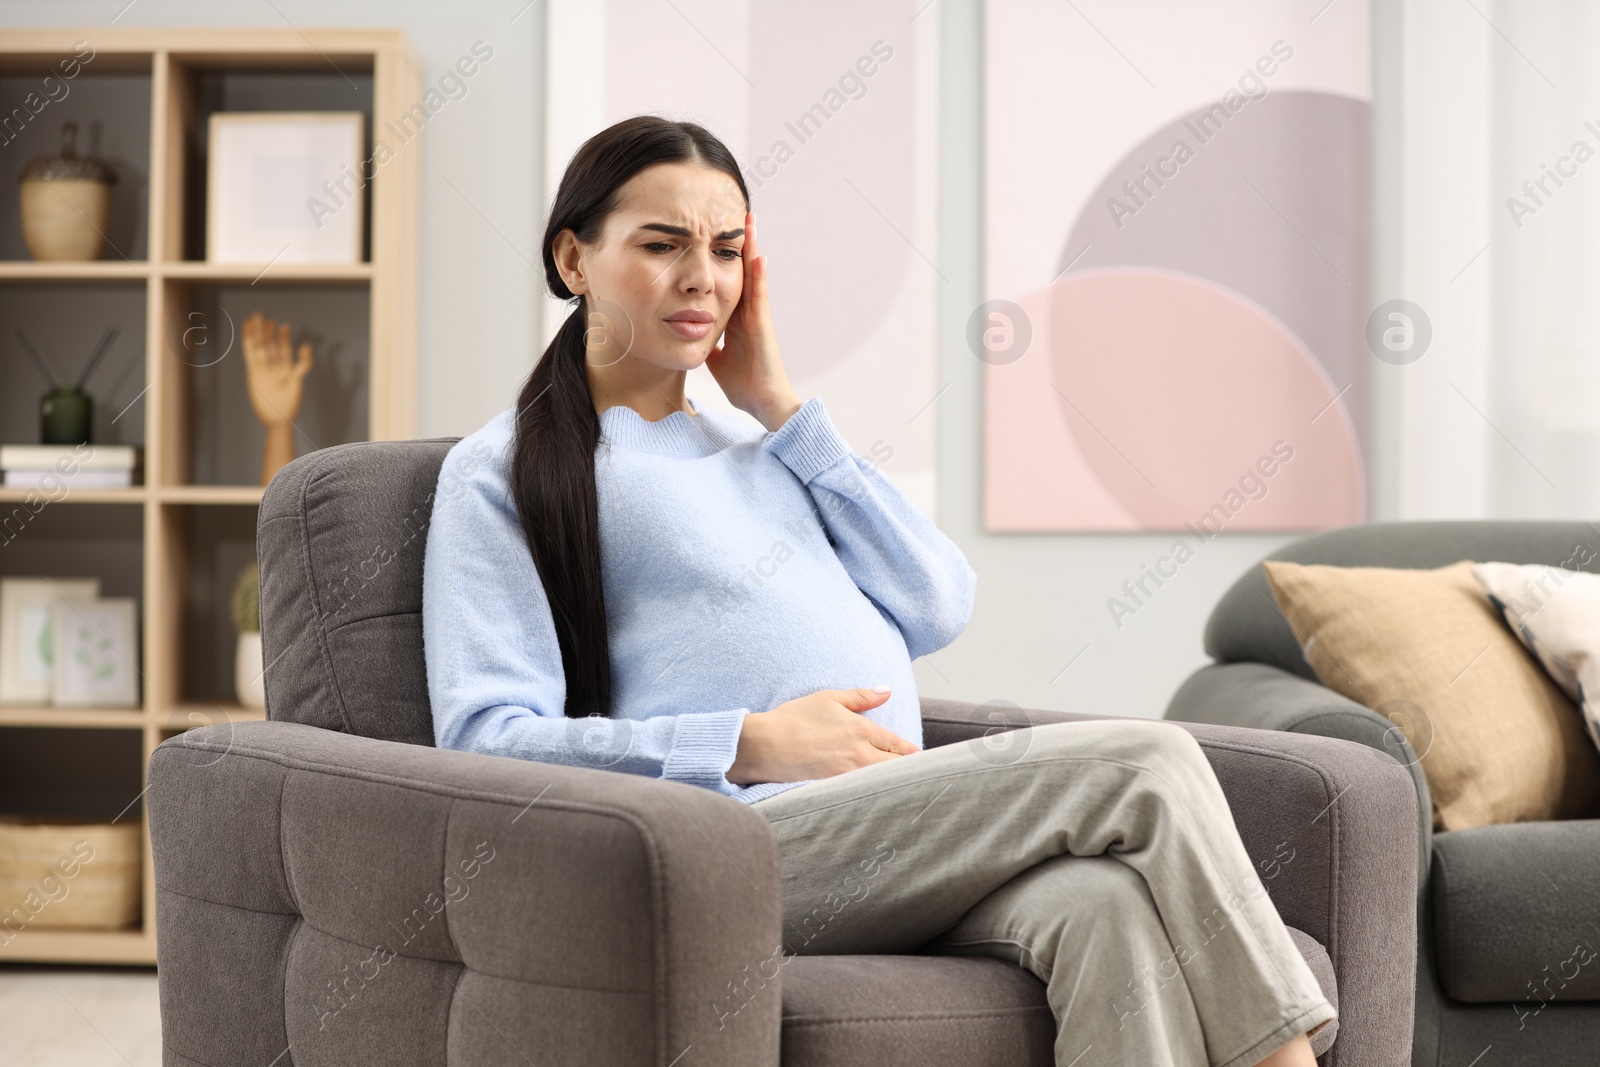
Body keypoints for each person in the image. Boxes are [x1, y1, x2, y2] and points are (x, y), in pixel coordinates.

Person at [421, 114, 1335, 1067]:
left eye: (727, 249)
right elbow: (486, 739)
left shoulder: (765, 445)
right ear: (574, 257)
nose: (702, 278)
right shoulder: (505, 471)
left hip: (894, 823)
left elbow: (937, 601)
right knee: (1147, 763)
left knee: (1104, 910)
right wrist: (749, 741)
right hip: (740, 845)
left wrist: (780, 404)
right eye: (662, 245)